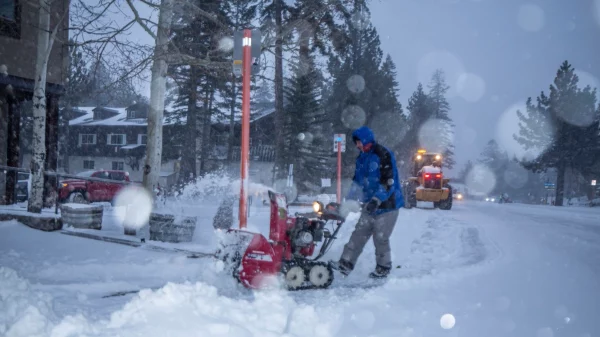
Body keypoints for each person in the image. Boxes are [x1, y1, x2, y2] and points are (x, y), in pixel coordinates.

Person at [330, 126, 404, 279]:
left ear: (366, 140)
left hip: (387, 205)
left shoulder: (383, 155)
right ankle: (345, 264)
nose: (357, 145)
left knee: (380, 237)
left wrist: (377, 199)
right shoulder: (362, 158)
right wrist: (349, 201)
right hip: (369, 205)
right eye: (356, 143)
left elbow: (388, 182)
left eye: (359, 142)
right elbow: (357, 183)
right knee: (358, 234)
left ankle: (383, 268)